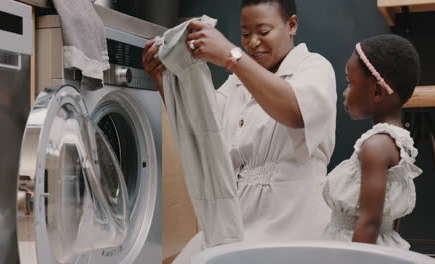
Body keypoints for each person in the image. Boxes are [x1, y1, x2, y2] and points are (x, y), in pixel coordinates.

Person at [142, 0, 336, 262]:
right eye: (245, 34)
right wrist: (164, 79)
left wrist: (232, 56)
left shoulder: (314, 66)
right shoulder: (237, 83)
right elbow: (203, 124)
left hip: (292, 216)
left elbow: (295, 112)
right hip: (237, 218)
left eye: (263, 32)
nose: (253, 42)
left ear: (291, 25)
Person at [322, 34, 422, 250]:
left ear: (377, 91)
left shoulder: (375, 146)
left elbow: (368, 223)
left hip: (355, 247)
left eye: (350, 83)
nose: (345, 92)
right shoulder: (398, 141)